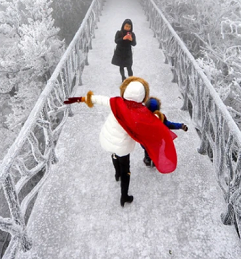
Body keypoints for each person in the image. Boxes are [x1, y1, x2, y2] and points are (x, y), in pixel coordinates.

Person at [63, 77, 177, 207]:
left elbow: (100, 99)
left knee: (114, 154)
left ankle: (116, 173)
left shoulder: (116, 102)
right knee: (125, 169)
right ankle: (124, 196)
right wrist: (158, 117)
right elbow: (153, 122)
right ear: (143, 96)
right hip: (123, 145)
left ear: (125, 90)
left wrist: (80, 99)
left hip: (107, 138)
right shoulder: (141, 113)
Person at [142, 96, 188, 167]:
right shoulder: (161, 118)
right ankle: (155, 161)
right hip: (157, 141)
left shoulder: (143, 117)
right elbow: (170, 125)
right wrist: (180, 126)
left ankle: (147, 160)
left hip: (146, 141)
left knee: (147, 150)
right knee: (156, 151)